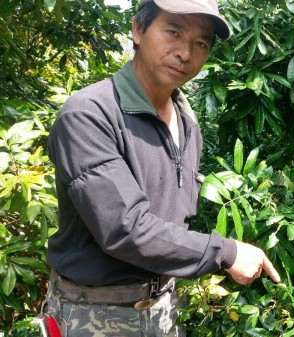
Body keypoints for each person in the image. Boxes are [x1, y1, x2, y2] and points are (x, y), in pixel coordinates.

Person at [41, 0, 280, 336]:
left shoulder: (186, 120)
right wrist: (225, 252)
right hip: (94, 314)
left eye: (201, 43)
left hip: (164, 308)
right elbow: (125, 229)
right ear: (138, 30)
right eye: (173, 32)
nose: (185, 53)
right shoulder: (89, 115)